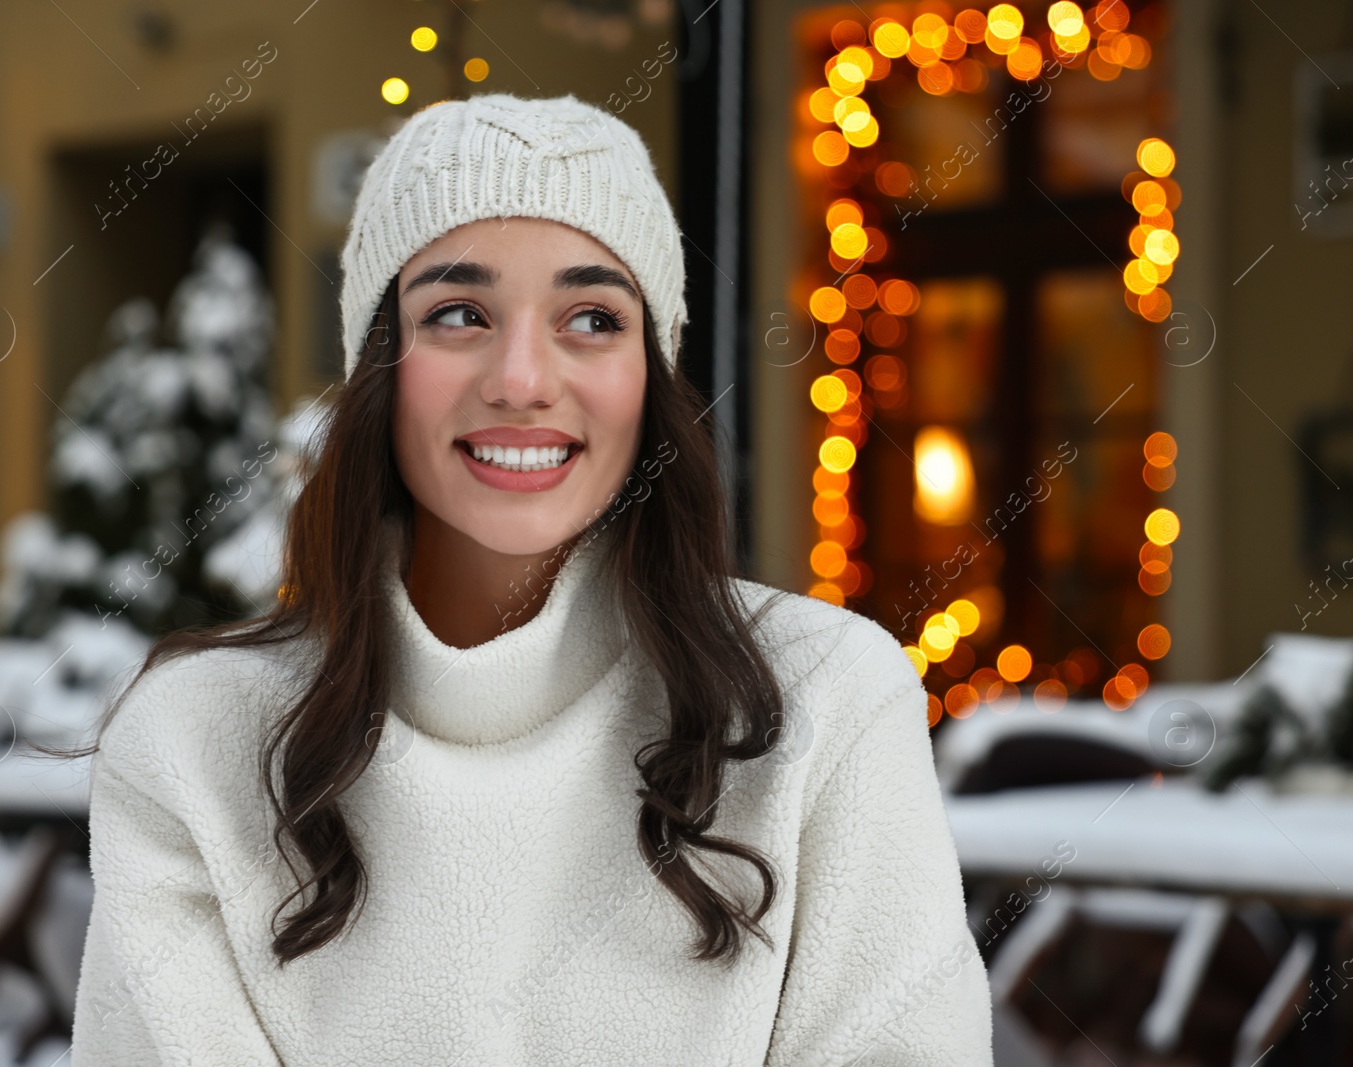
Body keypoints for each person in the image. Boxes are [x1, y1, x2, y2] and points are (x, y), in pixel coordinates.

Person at [69, 92, 993, 1065]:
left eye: (591, 316)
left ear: (649, 374)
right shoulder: (192, 737)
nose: (520, 377)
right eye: (459, 313)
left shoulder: (826, 698)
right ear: (380, 363)